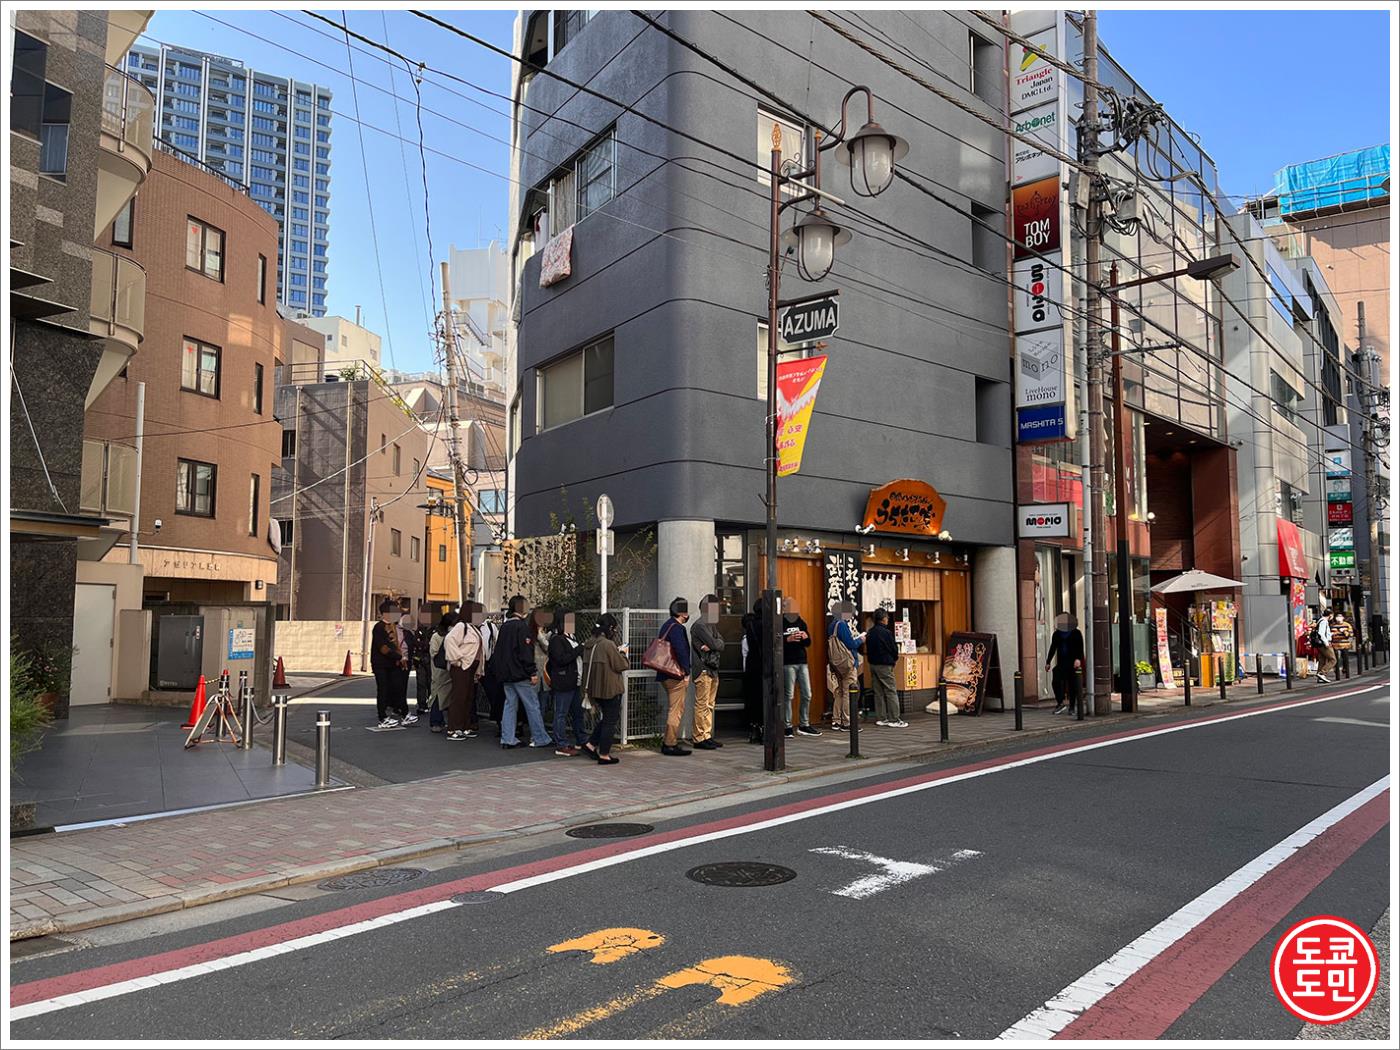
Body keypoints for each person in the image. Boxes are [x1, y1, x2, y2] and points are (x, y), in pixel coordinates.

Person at [489, 595, 552, 748]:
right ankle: (540, 737)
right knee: (532, 705)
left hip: (506, 674)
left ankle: (507, 738)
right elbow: (525, 653)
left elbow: (499, 651)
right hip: (521, 674)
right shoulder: (522, 627)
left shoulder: (505, 627)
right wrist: (532, 672)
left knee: (510, 705)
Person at [582, 613, 629, 765]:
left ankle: (590, 744)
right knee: (610, 721)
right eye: (614, 629)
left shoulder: (589, 643)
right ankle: (604, 754)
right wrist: (623, 653)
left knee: (607, 718)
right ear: (610, 628)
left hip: (594, 688)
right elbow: (621, 665)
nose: (615, 632)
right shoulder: (608, 644)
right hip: (610, 688)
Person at [656, 597, 693, 756]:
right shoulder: (677, 628)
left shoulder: (667, 625)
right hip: (675, 674)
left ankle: (668, 742)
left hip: (664, 672)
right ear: (682, 613)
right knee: (676, 710)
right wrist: (686, 672)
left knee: (674, 708)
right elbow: (681, 650)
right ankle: (670, 744)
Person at [689, 594, 726, 750]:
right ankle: (699, 738)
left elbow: (721, 643)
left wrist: (713, 645)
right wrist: (714, 644)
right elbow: (715, 643)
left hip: (713, 669)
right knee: (702, 705)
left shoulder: (711, 625)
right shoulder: (700, 625)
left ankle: (707, 735)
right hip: (703, 669)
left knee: (710, 704)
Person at [443, 602, 484, 740]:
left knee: (468, 697)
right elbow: (449, 640)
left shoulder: (473, 628)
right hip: (461, 667)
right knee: (459, 697)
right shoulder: (461, 626)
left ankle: (465, 726)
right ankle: (453, 728)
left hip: (470, 668)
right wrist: (457, 659)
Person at [548, 610, 586, 756]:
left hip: (575, 681)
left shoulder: (573, 637)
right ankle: (561, 744)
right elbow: (561, 659)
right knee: (561, 713)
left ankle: (581, 740)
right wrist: (578, 649)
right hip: (563, 682)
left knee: (578, 713)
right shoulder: (556, 640)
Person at [370, 599, 410, 729]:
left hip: (393, 663)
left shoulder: (393, 626)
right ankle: (382, 718)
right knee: (383, 690)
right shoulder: (379, 627)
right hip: (381, 664)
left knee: (399, 688)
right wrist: (399, 657)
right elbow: (383, 648)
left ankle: (405, 714)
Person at [781, 597, 818, 737]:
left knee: (807, 694)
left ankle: (804, 724)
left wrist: (804, 637)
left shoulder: (800, 621)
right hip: (787, 662)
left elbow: (808, 643)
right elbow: (775, 641)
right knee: (788, 695)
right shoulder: (780, 621)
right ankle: (787, 726)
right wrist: (787, 639)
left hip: (802, 661)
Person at [826, 601, 864, 732]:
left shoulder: (832, 625)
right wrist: (861, 639)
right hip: (847, 663)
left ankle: (836, 720)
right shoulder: (842, 624)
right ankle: (847, 722)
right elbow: (851, 644)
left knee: (839, 692)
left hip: (836, 663)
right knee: (849, 691)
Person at [866, 608, 906, 727]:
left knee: (878, 692)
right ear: (883, 619)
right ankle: (894, 719)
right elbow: (893, 649)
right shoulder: (886, 633)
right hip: (885, 665)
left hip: (873, 664)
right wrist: (894, 659)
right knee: (890, 690)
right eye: (887, 617)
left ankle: (881, 718)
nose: (888, 619)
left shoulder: (870, 632)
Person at [1045, 613, 1085, 714]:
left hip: (1073, 662)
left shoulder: (1076, 633)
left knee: (1072, 684)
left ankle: (1072, 707)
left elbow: (1080, 647)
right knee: (1056, 680)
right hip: (1062, 662)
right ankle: (1060, 702)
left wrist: (1078, 659)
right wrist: (1048, 661)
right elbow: (1053, 648)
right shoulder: (1057, 634)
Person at [426, 610, 457, 733]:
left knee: (447, 697)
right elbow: (434, 654)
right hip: (440, 670)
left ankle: (442, 720)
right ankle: (435, 721)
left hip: (450, 670)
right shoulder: (436, 636)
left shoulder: (453, 635)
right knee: (438, 696)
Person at [741, 599, 765, 743]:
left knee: (753, 700)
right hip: (764, 666)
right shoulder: (767, 624)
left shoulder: (751, 624)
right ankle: (763, 730)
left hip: (751, 666)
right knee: (764, 699)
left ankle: (754, 730)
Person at [412, 607, 435, 719]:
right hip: (420, 660)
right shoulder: (419, 630)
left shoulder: (435, 630)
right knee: (421, 683)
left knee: (431, 683)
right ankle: (422, 705)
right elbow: (416, 644)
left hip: (431, 659)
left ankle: (431, 704)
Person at [1312, 611, 1336, 683]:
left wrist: (1331, 634)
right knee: (1333, 660)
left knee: (1322, 660)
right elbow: (1321, 633)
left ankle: (1320, 678)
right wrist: (1326, 643)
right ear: (1330, 615)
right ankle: (1322, 673)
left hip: (1320, 644)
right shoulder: (1324, 621)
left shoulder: (1321, 620)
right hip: (1324, 644)